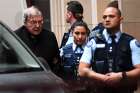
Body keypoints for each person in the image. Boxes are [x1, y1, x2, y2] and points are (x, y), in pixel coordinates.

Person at [78, 6, 140, 93]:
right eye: (104, 17)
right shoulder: (94, 42)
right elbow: (81, 70)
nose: (107, 19)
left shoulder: (131, 42)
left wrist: (121, 75)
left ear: (120, 19)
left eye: (111, 16)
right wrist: (103, 78)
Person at [15, 6, 60, 74]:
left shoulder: (50, 36)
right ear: (25, 23)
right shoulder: (16, 37)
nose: (37, 25)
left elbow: (57, 61)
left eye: (40, 22)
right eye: (33, 22)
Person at [60, 21, 89, 92]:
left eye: (83, 33)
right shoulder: (64, 50)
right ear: (72, 33)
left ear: (87, 34)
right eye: (77, 33)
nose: (80, 37)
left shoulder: (91, 49)